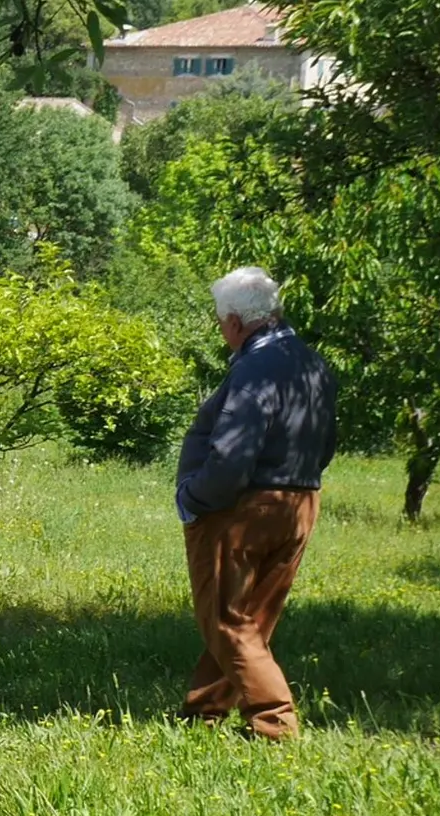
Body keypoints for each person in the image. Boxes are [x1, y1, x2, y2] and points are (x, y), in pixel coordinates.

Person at [175, 266, 336, 742]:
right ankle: (204, 711)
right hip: (300, 500)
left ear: (235, 322)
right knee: (253, 617)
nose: (221, 331)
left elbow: (232, 452)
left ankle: (275, 724)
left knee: (225, 618)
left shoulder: (253, 367)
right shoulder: (312, 362)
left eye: (220, 323)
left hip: (242, 507)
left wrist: (196, 497)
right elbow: (326, 440)